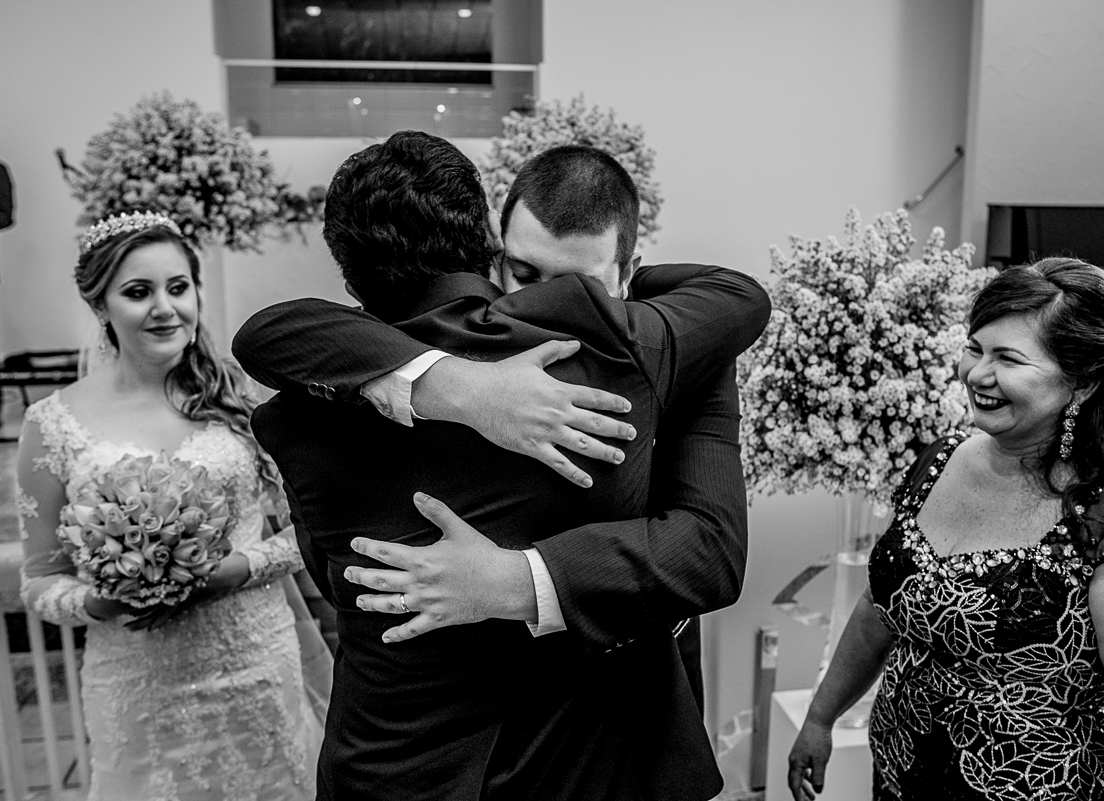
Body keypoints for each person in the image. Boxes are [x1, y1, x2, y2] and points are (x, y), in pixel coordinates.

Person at [233, 133, 767, 800]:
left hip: (395, 767)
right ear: (490, 243)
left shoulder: (298, 408)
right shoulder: (623, 349)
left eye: (576, 284)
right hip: (585, 765)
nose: (547, 299)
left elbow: (333, 573)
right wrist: (467, 389)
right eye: (525, 272)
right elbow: (736, 294)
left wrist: (515, 580)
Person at [788, 257, 1104, 801]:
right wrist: (820, 717)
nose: (977, 374)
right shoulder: (940, 459)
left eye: (1007, 358)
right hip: (899, 780)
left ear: (1081, 382)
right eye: (974, 348)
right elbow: (881, 604)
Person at [17, 212, 323, 800]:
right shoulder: (51, 424)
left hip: (256, 665)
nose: (165, 308)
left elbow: (308, 529)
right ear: (100, 305)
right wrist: (104, 600)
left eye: (178, 288)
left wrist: (235, 570)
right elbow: (39, 578)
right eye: (139, 292)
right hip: (137, 686)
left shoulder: (240, 399)